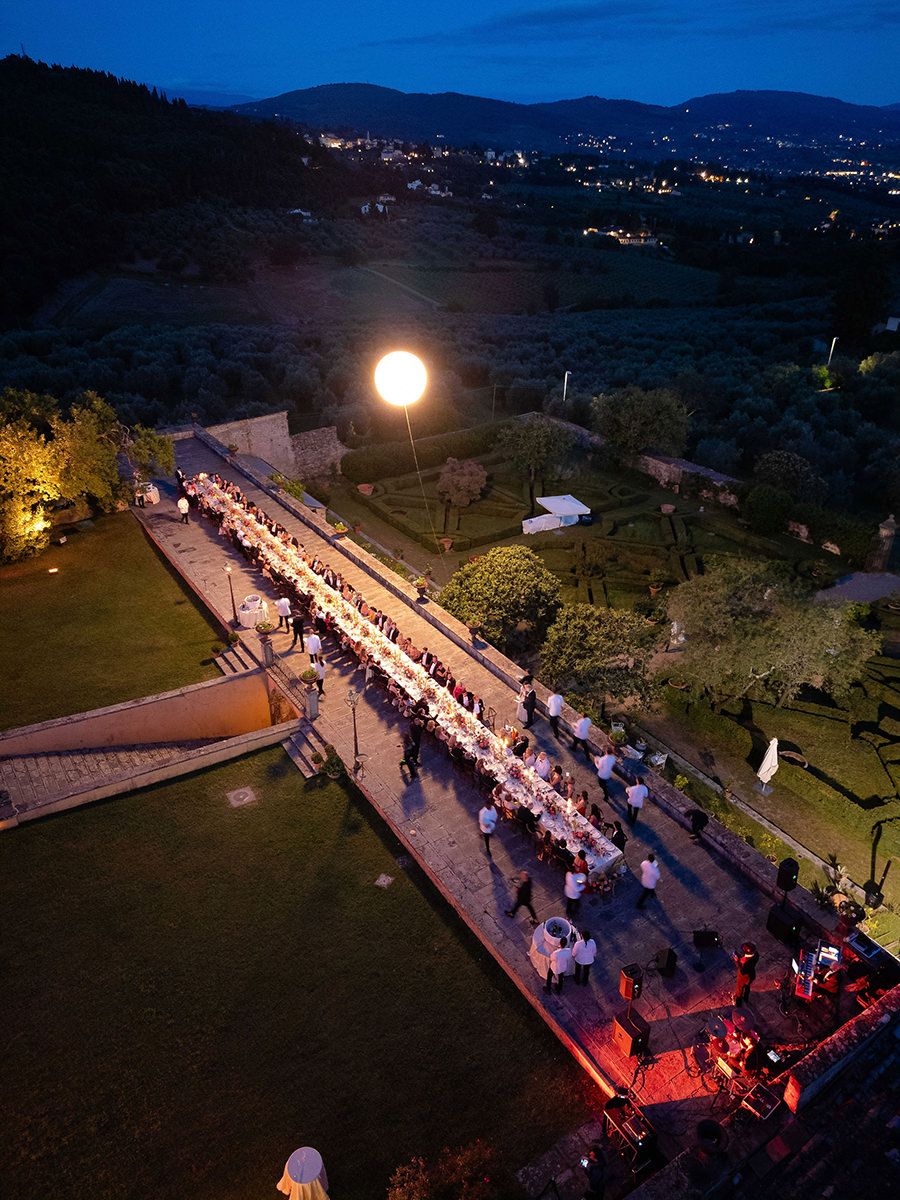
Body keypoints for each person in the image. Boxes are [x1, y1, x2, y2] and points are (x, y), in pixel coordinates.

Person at [733, 941, 760, 1006]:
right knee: (747, 987)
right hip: (751, 975)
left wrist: (737, 961)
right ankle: (745, 998)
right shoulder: (756, 954)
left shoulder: (747, 963)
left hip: (744, 977)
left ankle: (738, 1003)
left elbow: (742, 971)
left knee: (739, 989)